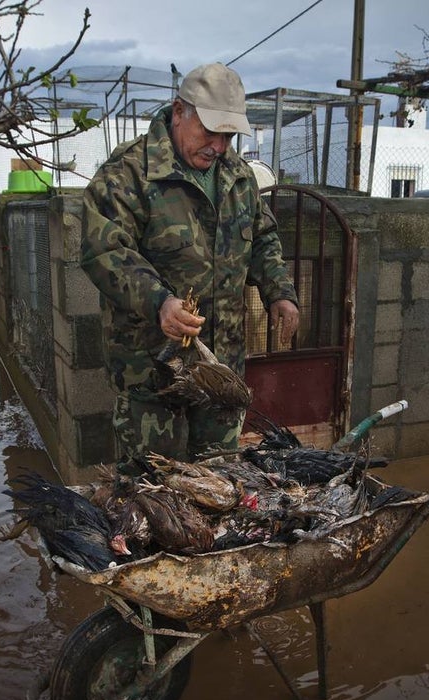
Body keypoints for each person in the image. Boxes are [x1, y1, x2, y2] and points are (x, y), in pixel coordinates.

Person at [81, 61, 300, 469]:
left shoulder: (238, 176)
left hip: (221, 367)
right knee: (154, 489)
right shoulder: (129, 173)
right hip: (152, 373)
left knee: (218, 483)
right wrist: (160, 301)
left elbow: (263, 237)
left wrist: (279, 292)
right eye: (210, 131)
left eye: (228, 134)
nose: (218, 145)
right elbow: (105, 251)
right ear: (179, 111)